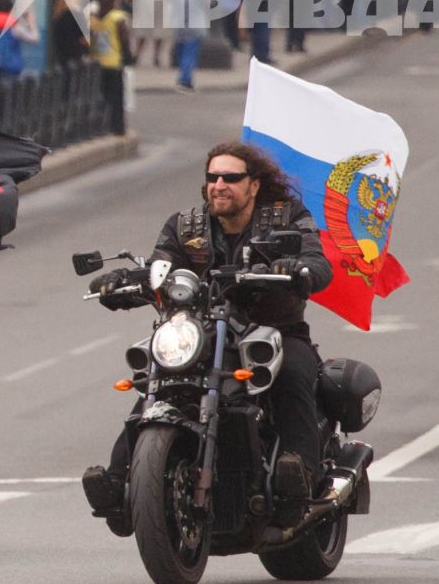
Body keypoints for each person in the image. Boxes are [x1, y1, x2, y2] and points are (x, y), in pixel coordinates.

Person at [82, 142, 333, 524]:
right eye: (212, 177)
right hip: (201, 333)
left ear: (253, 185)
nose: (219, 184)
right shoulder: (185, 226)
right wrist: (122, 283)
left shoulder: (285, 218)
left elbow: (316, 262)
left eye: (231, 178)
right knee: (155, 384)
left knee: (295, 377)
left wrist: (296, 267)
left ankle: (299, 473)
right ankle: (119, 481)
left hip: (272, 331)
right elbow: (161, 268)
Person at [88, 0, 130, 135]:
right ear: (115, 1)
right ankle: (117, 127)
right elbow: (124, 39)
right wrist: (128, 55)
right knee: (116, 98)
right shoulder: (117, 17)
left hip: (97, 63)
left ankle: (98, 127)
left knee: (101, 97)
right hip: (113, 62)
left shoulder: (94, 18)